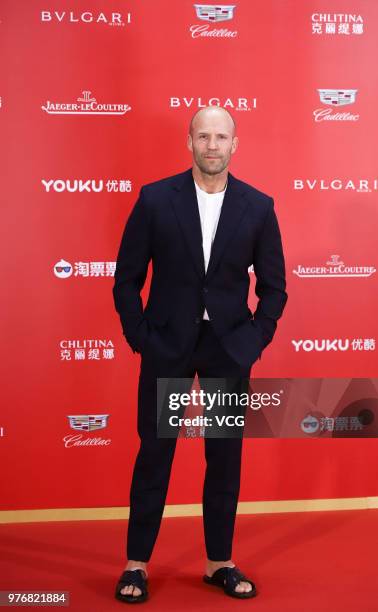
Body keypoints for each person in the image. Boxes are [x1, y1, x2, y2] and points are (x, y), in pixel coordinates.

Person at [112, 106, 288, 603]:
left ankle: (219, 562)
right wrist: (143, 337)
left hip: (226, 351)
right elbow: (126, 281)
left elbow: (274, 289)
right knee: (156, 455)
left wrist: (251, 342)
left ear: (236, 144)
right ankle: (136, 564)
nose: (213, 145)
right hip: (167, 345)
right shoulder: (155, 200)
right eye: (204, 136)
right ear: (189, 141)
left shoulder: (258, 207)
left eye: (222, 137)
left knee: (224, 457)